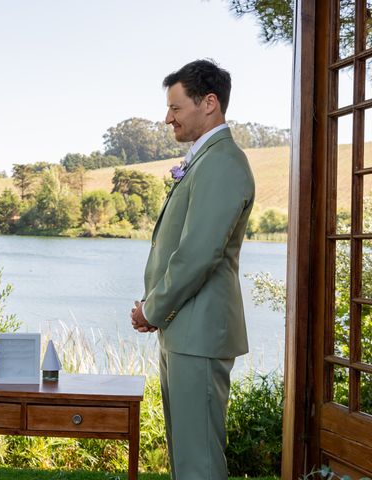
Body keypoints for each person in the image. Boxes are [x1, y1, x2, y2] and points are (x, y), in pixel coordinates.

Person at [130, 60, 254, 480]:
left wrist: (151, 309)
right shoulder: (204, 160)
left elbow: (198, 253)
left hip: (199, 333)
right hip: (185, 329)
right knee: (186, 455)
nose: (168, 118)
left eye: (176, 108)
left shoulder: (222, 163)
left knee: (198, 460)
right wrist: (157, 309)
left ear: (210, 104)